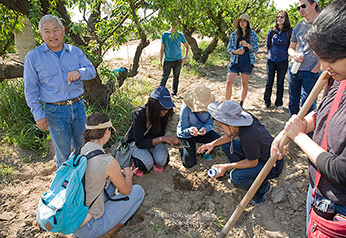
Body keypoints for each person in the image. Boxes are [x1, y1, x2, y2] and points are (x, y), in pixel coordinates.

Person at [272, 0, 346, 233]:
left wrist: (299, 137)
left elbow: (341, 171)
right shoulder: (340, 78)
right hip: (318, 194)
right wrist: (300, 125)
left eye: (331, 59)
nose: (323, 66)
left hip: (339, 213)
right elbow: (327, 109)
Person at [24, 15, 96, 168]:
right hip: (54, 111)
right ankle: (64, 186)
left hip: (78, 107)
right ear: (41, 34)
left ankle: (81, 179)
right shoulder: (33, 57)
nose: (52, 35)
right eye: (47, 31)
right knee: (63, 153)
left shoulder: (75, 52)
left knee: (83, 146)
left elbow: (91, 71)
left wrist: (79, 72)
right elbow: (30, 90)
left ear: (63, 30)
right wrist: (38, 114)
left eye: (56, 30)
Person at [197, 101, 283, 204]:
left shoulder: (249, 137)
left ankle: (263, 188)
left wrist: (226, 166)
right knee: (226, 145)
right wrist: (211, 144)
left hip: (271, 165)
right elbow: (229, 136)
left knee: (236, 176)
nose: (221, 130)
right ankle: (246, 172)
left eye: (221, 127)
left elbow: (252, 162)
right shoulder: (241, 121)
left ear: (232, 124)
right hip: (256, 154)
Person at [73, 113, 145, 238]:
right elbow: (126, 191)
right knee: (138, 192)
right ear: (107, 131)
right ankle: (108, 233)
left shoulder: (77, 153)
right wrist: (128, 175)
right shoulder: (108, 161)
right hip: (89, 228)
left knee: (110, 187)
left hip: (73, 220)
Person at [128, 86, 180, 176]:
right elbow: (139, 143)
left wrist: (169, 141)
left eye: (168, 108)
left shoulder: (163, 115)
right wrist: (163, 139)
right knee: (146, 165)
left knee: (163, 161)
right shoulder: (139, 114)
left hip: (153, 141)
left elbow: (161, 134)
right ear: (155, 107)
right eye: (163, 109)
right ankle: (134, 160)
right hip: (137, 143)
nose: (166, 112)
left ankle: (151, 156)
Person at [287, 0, 320, 116]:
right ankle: (292, 132)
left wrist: (317, 67)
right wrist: (294, 55)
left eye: (303, 6)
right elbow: (291, 48)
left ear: (313, 5)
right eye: (298, 8)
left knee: (308, 105)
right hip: (295, 70)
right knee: (293, 103)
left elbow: (330, 49)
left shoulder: (323, 25)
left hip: (311, 72)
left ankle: (308, 133)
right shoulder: (298, 26)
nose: (301, 9)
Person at [177, 86, 220, 168]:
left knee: (218, 141)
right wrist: (190, 130)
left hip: (202, 132)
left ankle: (204, 150)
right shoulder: (186, 107)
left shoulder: (212, 107)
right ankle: (183, 147)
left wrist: (205, 129)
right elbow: (183, 128)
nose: (201, 110)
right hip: (187, 134)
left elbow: (210, 122)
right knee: (189, 163)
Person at [226, 13, 259, 107]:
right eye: (241, 21)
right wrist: (236, 52)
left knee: (244, 83)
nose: (242, 23)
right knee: (229, 81)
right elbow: (229, 48)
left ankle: (241, 103)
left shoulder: (252, 34)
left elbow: (256, 48)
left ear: (247, 23)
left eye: (244, 21)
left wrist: (248, 45)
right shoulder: (234, 34)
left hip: (247, 61)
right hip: (235, 60)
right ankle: (227, 103)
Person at [263, 11, 292, 109]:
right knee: (269, 81)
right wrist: (271, 53)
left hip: (283, 60)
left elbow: (291, 45)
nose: (279, 18)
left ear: (285, 19)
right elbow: (268, 45)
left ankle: (279, 102)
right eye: (278, 17)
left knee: (280, 82)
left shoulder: (289, 31)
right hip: (271, 60)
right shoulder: (272, 30)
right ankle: (266, 101)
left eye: (282, 17)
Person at [159, 22, 189, 96]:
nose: (173, 26)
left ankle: (174, 93)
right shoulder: (165, 35)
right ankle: (160, 93)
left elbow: (187, 46)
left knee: (176, 77)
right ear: (170, 24)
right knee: (164, 77)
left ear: (178, 25)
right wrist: (160, 60)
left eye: (175, 24)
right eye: (172, 24)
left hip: (178, 60)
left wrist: (185, 57)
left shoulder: (180, 35)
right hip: (168, 60)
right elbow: (162, 48)